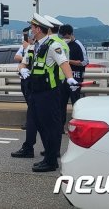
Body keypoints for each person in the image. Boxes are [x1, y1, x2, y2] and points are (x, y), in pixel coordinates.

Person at [13, 13, 78, 172]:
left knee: (50, 126)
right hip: (35, 91)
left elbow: (63, 63)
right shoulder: (34, 46)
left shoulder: (52, 45)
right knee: (40, 125)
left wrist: (70, 78)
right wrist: (22, 71)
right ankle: (48, 157)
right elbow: (23, 63)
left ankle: (51, 161)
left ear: (38, 29)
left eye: (33, 28)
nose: (31, 31)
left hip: (49, 92)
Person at [58, 24, 89, 132]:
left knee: (75, 103)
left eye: (66, 36)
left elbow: (84, 62)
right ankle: (60, 127)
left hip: (75, 79)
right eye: (63, 36)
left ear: (71, 34)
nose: (64, 38)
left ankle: (75, 127)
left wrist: (67, 61)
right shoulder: (61, 44)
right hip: (63, 80)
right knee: (61, 103)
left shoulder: (78, 44)